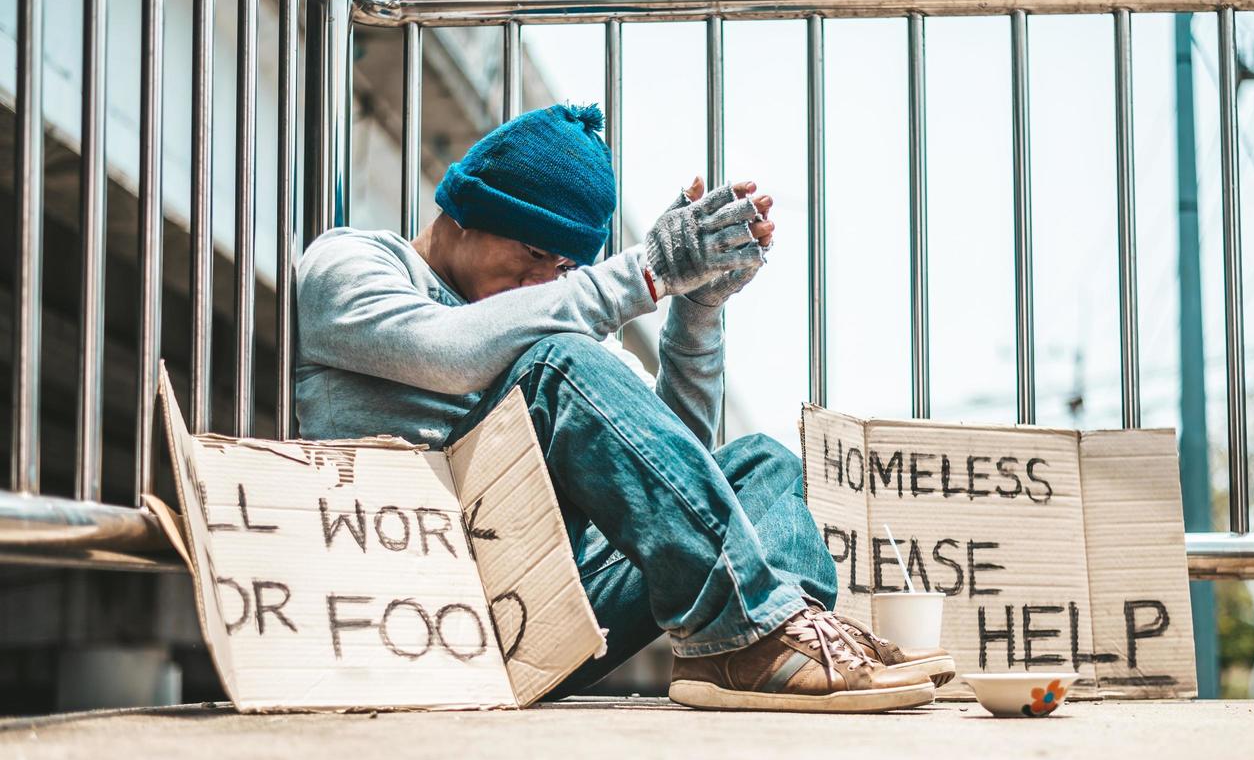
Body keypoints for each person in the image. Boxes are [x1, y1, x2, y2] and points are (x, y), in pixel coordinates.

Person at [294, 103, 954, 712]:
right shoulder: (354, 264)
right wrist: (645, 273)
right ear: (464, 211)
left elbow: (671, 474)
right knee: (561, 362)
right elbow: (442, 354)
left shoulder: (552, 326)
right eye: (530, 253)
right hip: (411, 613)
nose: (539, 281)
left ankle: (767, 645)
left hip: (544, 614)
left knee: (760, 467)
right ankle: (757, 637)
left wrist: (695, 313)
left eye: (560, 269)